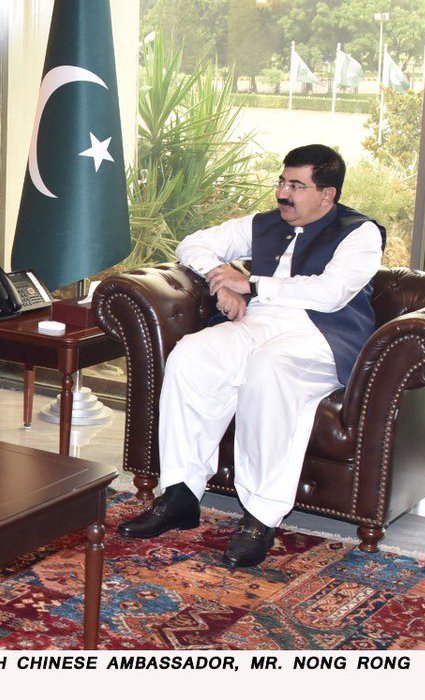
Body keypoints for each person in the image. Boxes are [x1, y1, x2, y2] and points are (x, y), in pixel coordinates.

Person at [117, 144, 385, 568]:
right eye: (282, 181)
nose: (283, 193)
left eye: (296, 185)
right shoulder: (266, 223)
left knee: (268, 370)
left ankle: (260, 517)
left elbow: (332, 294)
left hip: (319, 334)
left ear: (327, 194)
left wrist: (253, 284)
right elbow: (195, 243)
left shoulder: (361, 232)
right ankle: (181, 495)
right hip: (257, 324)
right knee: (192, 354)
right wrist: (220, 283)